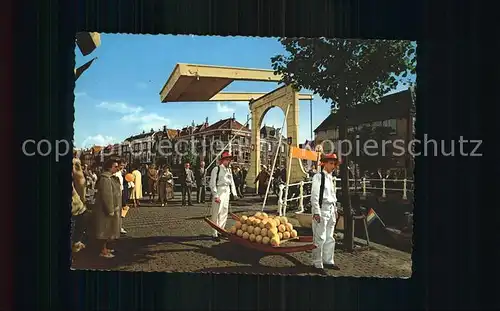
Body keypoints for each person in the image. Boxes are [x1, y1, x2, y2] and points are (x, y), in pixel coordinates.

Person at [310, 153, 341, 271]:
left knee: (330, 237)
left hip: (331, 210)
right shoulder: (318, 177)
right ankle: (317, 263)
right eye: (331, 163)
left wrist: (335, 210)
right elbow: (315, 196)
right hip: (322, 210)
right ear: (324, 163)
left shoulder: (330, 178)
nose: (333, 166)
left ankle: (328, 260)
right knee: (320, 237)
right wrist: (316, 212)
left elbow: (332, 196)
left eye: (334, 164)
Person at [93, 159, 122, 258]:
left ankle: (106, 248)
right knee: (104, 230)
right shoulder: (106, 178)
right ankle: (103, 250)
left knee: (108, 230)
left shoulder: (110, 177)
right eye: (115, 166)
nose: (117, 168)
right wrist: (110, 209)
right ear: (109, 167)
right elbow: (107, 195)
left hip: (113, 208)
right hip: (106, 209)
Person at [209, 151, 238, 241]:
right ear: (223, 160)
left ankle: (221, 230)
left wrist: (234, 193)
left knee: (224, 211)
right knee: (216, 212)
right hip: (219, 190)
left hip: (227, 191)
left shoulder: (229, 170)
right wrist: (215, 195)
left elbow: (232, 182)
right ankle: (214, 233)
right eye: (228, 160)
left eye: (230, 160)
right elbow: (212, 183)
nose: (229, 162)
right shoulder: (216, 169)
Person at [114, 159, 128, 235]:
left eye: (124, 165)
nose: (123, 167)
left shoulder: (120, 172)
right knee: (117, 211)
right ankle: (117, 227)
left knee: (120, 210)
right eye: (122, 165)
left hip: (121, 191)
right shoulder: (115, 173)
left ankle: (119, 226)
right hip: (116, 193)